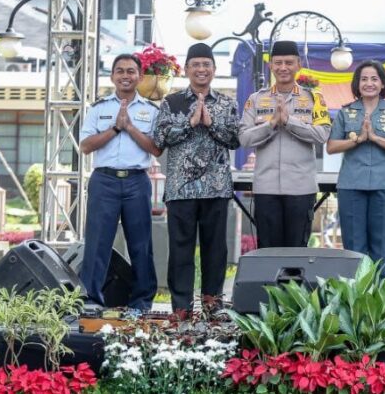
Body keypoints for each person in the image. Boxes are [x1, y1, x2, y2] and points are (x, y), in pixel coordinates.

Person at [152, 43, 240, 315]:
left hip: (216, 188)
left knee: (216, 253)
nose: (201, 69)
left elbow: (236, 140)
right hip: (181, 189)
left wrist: (211, 123)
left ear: (214, 69)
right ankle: (181, 310)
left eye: (206, 65)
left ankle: (212, 309)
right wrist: (189, 124)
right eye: (196, 65)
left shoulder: (227, 103)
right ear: (187, 69)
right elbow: (159, 139)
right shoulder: (171, 102)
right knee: (180, 253)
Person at [78, 53, 161, 313]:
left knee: (141, 244)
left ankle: (142, 302)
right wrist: (114, 128)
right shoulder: (99, 108)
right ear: (112, 76)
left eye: (131, 71)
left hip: (137, 181)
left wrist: (131, 128)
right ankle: (91, 300)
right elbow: (85, 146)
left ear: (140, 77)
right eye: (120, 71)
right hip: (105, 181)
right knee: (97, 243)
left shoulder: (151, 110)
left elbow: (157, 149)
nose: (125, 75)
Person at [239, 40, 331, 248]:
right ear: (270, 66)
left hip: (301, 189)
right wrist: (271, 124)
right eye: (278, 63)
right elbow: (243, 138)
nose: (283, 68)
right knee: (268, 252)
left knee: (296, 252)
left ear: (298, 64)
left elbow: (322, 135)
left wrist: (289, 122)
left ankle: (294, 283)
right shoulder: (255, 99)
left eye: (289, 62)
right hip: (266, 189)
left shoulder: (313, 98)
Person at [327, 60, 385, 274]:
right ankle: (355, 301)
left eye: (374, 79)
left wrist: (375, 138)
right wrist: (358, 139)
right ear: (357, 84)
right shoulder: (345, 113)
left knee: (381, 246)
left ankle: (379, 302)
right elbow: (331, 146)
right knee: (354, 247)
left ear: (383, 84)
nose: (369, 83)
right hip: (352, 184)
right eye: (364, 79)